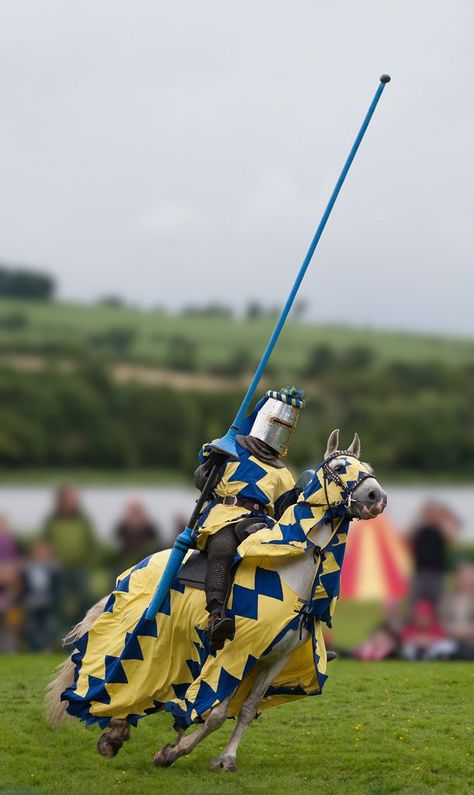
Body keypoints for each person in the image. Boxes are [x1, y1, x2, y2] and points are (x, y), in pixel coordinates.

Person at [194, 387, 306, 649]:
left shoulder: (282, 473)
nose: (280, 432)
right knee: (222, 547)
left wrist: (301, 493)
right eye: (277, 424)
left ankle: (292, 620)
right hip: (223, 515)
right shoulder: (230, 447)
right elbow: (201, 479)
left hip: (256, 520)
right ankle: (216, 616)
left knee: (274, 550)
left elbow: (285, 510)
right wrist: (212, 463)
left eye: (286, 428)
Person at [42, 486, 97, 631]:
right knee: (59, 604)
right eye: (71, 498)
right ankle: (60, 636)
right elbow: (45, 543)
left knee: (85, 601)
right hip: (58, 569)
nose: (74, 501)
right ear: (62, 500)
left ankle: (80, 632)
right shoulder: (52, 520)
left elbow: (91, 543)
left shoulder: (83, 520)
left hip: (80, 568)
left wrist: (89, 564)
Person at [407, 501, 460, 611]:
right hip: (420, 572)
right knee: (415, 603)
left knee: (438, 604)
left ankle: (436, 626)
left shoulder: (440, 530)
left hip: (437, 573)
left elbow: (451, 536)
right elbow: (406, 537)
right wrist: (418, 517)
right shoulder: (420, 529)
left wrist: (442, 518)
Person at [22, 540, 59, 652]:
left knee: (47, 624)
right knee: (32, 625)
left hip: (48, 600)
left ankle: (46, 647)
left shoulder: (54, 568)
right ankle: (35, 647)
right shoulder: (28, 568)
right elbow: (24, 587)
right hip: (32, 600)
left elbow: (57, 588)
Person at [114, 499, 162, 573]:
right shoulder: (124, 525)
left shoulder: (148, 526)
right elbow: (118, 535)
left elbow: (155, 538)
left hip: (144, 556)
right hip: (126, 556)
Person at [0, 514, 22, 653]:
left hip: (9, 592)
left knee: (12, 615)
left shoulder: (11, 542)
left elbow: (17, 565)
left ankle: (9, 649)